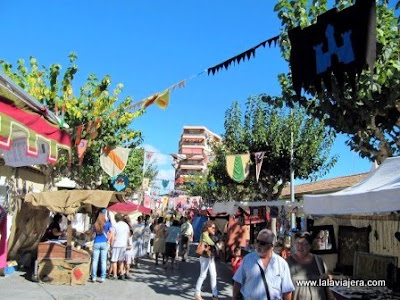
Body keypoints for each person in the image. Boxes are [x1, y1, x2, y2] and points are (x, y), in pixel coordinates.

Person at [233, 229, 295, 300]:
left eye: (262, 243)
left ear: (271, 246)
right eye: (257, 241)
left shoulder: (281, 264)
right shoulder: (248, 259)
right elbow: (237, 282)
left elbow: (287, 290)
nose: (258, 245)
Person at [286, 231, 331, 300]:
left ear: (310, 246)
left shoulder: (318, 260)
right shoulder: (287, 263)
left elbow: (327, 279)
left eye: (304, 244)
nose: (300, 247)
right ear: (294, 245)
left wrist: (328, 277)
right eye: (297, 243)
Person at [195, 221, 219, 300]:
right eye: (212, 228)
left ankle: (215, 294)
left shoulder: (208, 234)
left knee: (213, 274)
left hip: (209, 256)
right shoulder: (204, 234)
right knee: (203, 275)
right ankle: (197, 294)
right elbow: (210, 242)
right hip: (205, 256)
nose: (214, 229)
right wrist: (216, 243)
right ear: (208, 227)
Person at [90, 208, 111, 283]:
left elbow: (91, 234)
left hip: (96, 242)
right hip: (104, 243)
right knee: (103, 261)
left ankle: (93, 277)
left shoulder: (95, 223)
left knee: (95, 261)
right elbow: (111, 232)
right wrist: (108, 239)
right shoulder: (107, 223)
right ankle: (102, 277)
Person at [109, 213, 130, 280]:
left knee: (114, 260)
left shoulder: (115, 225)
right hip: (123, 244)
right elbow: (127, 235)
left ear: (116, 219)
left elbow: (112, 235)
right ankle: (121, 273)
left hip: (116, 244)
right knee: (121, 260)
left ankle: (115, 275)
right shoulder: (126, 225)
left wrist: (111, 244)